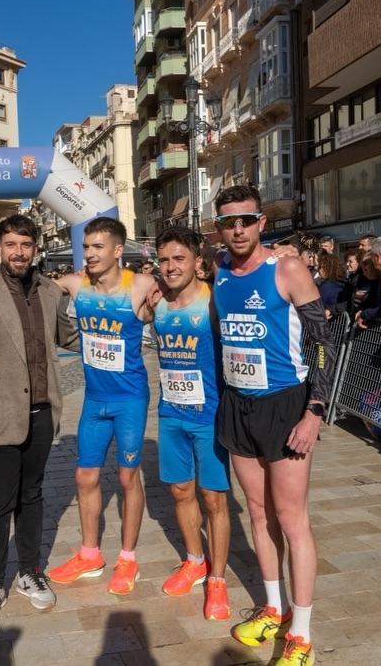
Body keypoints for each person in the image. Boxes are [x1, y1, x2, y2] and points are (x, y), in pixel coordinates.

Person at [210, 185, 336, 666]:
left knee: (292, 520)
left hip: (286, 406)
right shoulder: (218, 269)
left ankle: (300, 635)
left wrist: (314, 411)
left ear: (262, 221)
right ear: (218, 228)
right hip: (238, 405)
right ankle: (273, 608)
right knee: (259, 516)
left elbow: (323, 342)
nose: (237, 229)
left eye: (246, 220)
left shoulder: (286, 268)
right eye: (228, 222)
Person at [0, 214, 77, 629]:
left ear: (35, 247)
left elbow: (70, 337)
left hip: (42, 413)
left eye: (25, 244)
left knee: (33, 497)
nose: (18, 252)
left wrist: (124, 312)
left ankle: (29, 572)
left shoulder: (50, 291)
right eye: (11, 244)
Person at [42, 218, 156, 594]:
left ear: (118, 250)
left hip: (130, 400)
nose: (89, 254)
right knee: (85, 478)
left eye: (97, 247)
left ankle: (128, 558)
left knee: (127, 478)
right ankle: (90, 555)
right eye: (86, 247)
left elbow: (186, 290)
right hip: (94, 400)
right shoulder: (75, 284)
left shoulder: (140, 286)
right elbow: (31, 284)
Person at [151, 226, 231, 621]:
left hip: (210, 416)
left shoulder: (215, 302)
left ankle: (218, 580)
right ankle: (194, 561)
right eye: (164, 259)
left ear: (198, 262)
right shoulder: (157, 303)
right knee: (181, 492)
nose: (170, 267)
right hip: (171, 415)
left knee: (214, 499)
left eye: (179, 258)